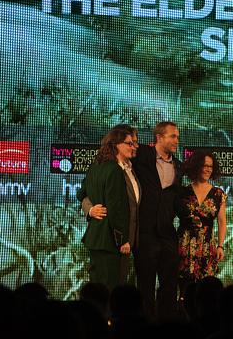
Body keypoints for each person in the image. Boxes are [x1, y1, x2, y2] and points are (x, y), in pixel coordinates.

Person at [82, 121, 182, 321]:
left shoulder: (132, 167)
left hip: (154, 235)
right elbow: (95, 196)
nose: (134, 146)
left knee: (121, 286)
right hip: (123, 238)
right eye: (130, 143)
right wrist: (90, 209)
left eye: (135, 143)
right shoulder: (120, 165)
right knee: (114, 288)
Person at [77, 126, 140, 290]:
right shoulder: (114, 169)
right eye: (129, 143)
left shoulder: (97, 166)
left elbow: (81, 193)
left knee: (99, 289)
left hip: (98, 239)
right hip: (111, 240)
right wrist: (122, 239)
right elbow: (115, 208)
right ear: (115, 144)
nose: (133, 146)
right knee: (110, 289)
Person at [176, 150, 226, 295]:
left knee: (206, 292)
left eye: (211, 166)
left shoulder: (218, 194)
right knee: (185, 290)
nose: (208, 169)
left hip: (207, 248)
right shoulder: (183, 192)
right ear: (196, 166)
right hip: (185, 246)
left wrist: (220, 246)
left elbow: (222, 222)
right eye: (205, 165)